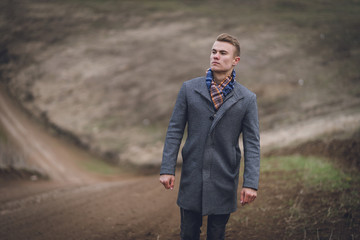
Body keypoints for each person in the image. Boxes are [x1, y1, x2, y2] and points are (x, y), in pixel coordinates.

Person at [159, 33, 260, 240]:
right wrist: (167, 168)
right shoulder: (189, 89)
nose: (216, 56)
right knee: (188, 233)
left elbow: (252, 144)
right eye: (214, 51)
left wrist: (250, 183)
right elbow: (175, 130)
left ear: (235, 60)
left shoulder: (247, 99)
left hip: (225, 176)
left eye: (223, 53)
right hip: (192, 174)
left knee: (216, 234)